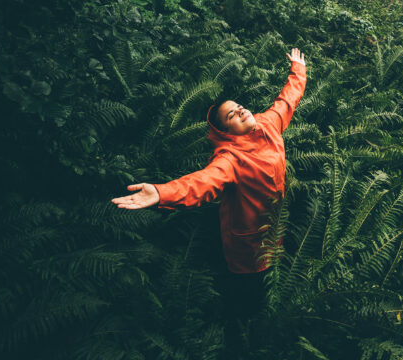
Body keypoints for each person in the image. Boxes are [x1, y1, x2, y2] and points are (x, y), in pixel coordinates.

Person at [111, 48, 307, 349]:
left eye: (240, 107)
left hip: (275, 232)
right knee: (246, 298)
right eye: (233, 115)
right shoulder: (230, 158)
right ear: (226, 131)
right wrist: (161, 192)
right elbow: (201, 183)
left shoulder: (268, 124)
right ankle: (240, 340)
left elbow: (287, 99)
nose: (242, 111)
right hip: (247, 247)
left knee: (272, 287)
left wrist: (298, 69)